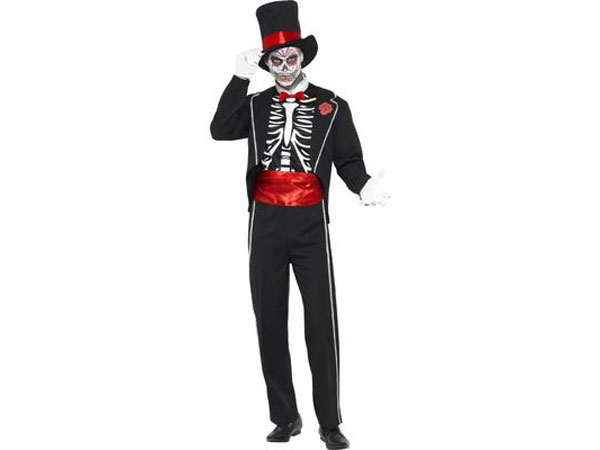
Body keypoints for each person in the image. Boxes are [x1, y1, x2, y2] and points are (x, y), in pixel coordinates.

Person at [210, 2, 389, 448]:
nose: (285, 67)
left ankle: (329, 421)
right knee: (269, 319)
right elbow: (219, 129)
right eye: (276, 60)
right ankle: (285, 417)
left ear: (303, 57)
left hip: (310, 221)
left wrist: (363, 185)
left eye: (291, 58)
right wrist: (238, 79)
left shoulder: (333, 105)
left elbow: (349, 160)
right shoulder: (256, 105)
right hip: (265, 220)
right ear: (267, 63)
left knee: (321, 322)